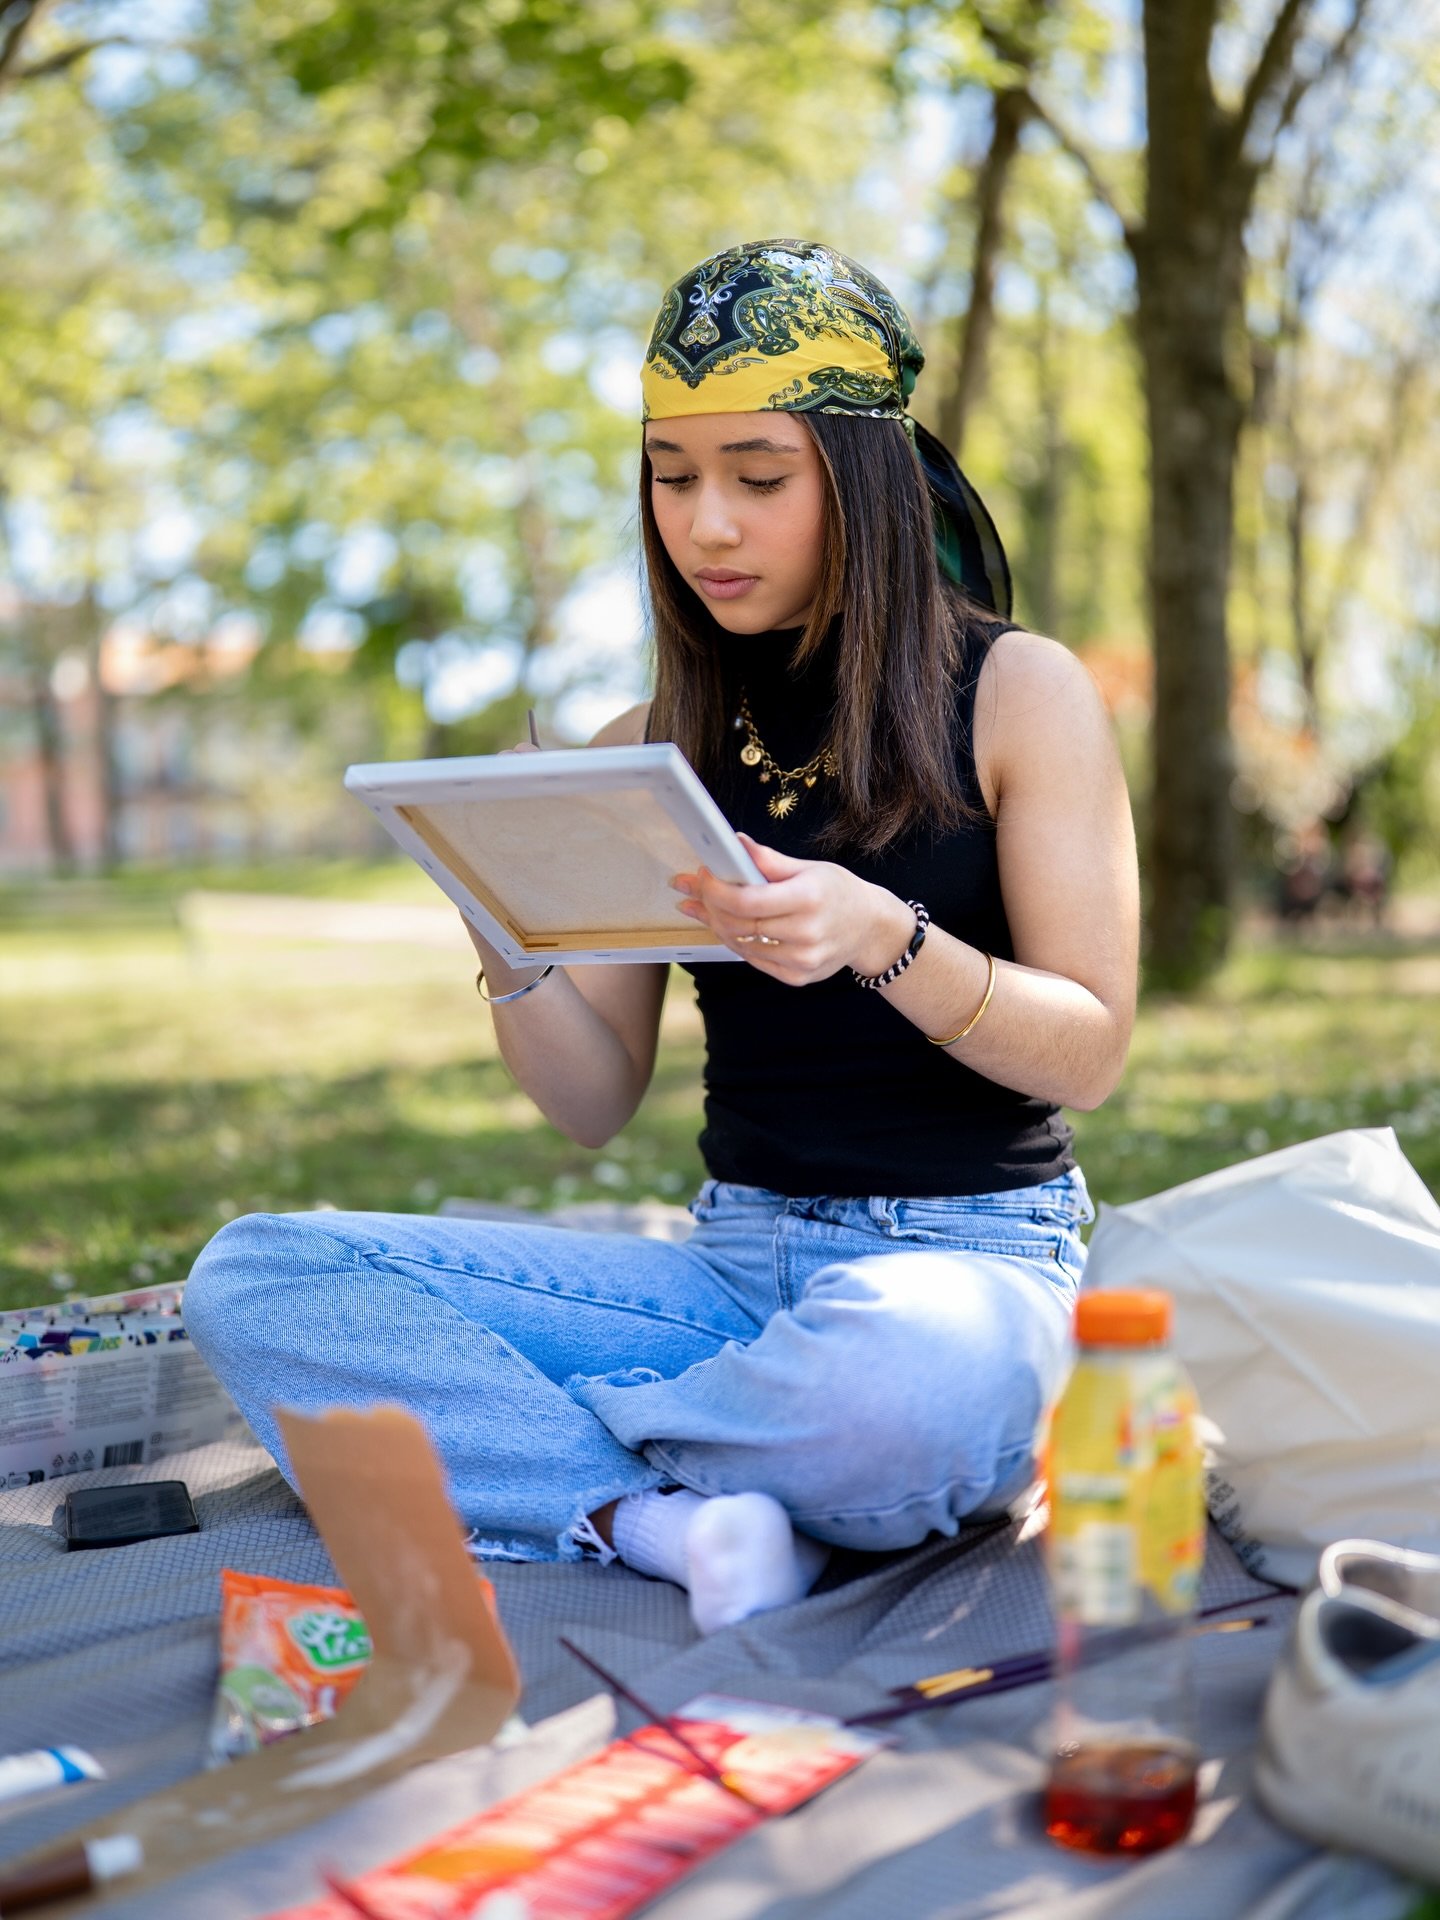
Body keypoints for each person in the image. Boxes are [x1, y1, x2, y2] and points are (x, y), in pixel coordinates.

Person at [184, 240, 1139, 1636]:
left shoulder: (1018, 690)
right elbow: (590, 1102)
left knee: (908, 1390)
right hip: (728, 1284)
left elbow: (1094, 1049)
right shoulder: (651, 742)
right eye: (670, 474)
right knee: (260, 1275)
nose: (705, 526)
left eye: (758, 477)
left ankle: (521, 1434)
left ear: (863, 482)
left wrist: (884, 937)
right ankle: (660, 1521)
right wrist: (504, 926)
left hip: (965, 1271)